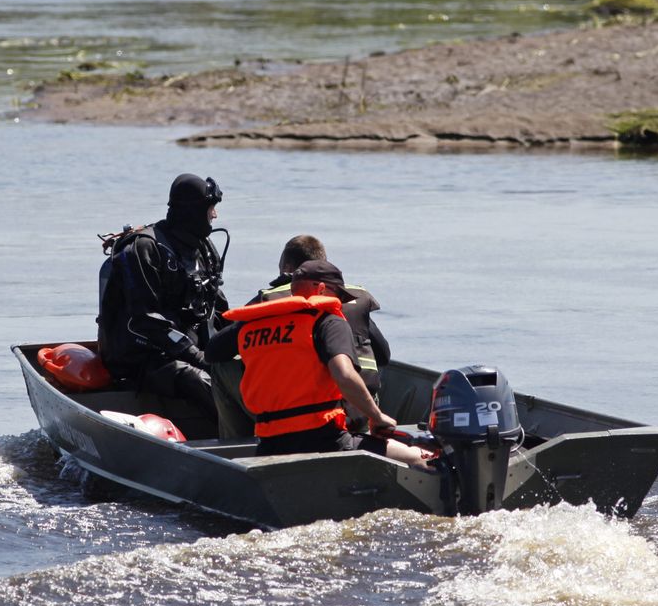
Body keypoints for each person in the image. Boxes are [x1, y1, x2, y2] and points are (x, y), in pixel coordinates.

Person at [205, 259, 433, 466]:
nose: (341, 304)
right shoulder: (328, 322)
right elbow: (344, 374)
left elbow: (212, 353)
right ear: (321, 289)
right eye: (340, 297)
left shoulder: (251, 327)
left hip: (270, 445)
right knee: (419, 458)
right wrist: (377, 416)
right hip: (326, 441)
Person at [97, 174, 228, 419]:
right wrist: (197, 357)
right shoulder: (143, 249)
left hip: (192, 353)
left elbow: (218, 310)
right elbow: (145, 319)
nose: (215, 215)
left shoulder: (203, 249)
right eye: (211, 208)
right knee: (199, 380)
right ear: (194, 211)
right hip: (144, 360)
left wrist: (239, 347)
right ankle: (246, 437)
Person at [250, 234, 390, 404]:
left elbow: (221, 348)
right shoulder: (353, 298)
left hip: (307, 406)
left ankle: (236, 431)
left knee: (224, 368)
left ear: (287, 268)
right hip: (361, 406)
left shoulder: (271, 299)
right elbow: (383, 356)